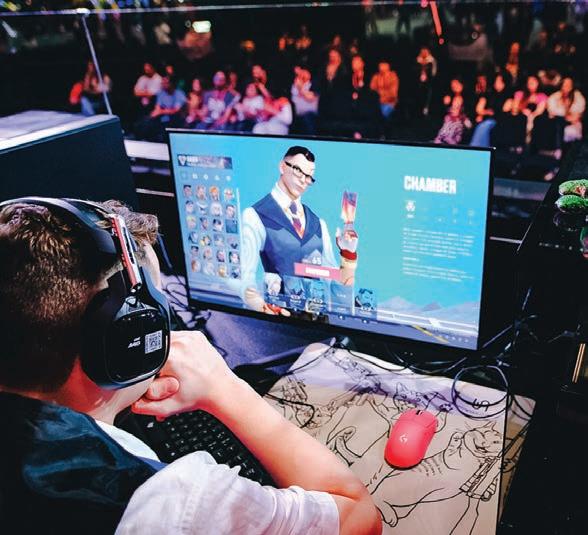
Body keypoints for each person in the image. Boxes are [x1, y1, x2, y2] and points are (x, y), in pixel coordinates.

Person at [0, 198, 381, 534]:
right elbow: (358, 518)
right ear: (125, 343)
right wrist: (224, 388)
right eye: (158, 317)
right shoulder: (171, 501)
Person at [241, 146, 359, 315]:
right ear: (282, 166)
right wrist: (262, 306)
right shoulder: (256, 215)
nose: (304, 180)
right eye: (298, 171)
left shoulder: (319, 224)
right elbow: (243, 277)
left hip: (318, 322)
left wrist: (348, 254)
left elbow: (338, 296)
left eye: (309, 176)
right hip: (276, 320)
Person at [547, 77, 586, 142]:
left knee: (571, 131)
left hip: (572, 124)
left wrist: (571, 115)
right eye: (564, 85)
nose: (566, 87)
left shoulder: (578, 96)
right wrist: (564, 115)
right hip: (557, 123)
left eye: (569, 85)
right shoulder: (555, 97)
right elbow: (552, 111)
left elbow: (578, 113)